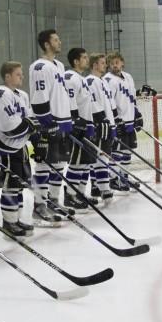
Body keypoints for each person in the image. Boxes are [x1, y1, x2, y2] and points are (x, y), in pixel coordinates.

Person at [0, 61, 37, 237]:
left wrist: (30, 127)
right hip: (5, 148)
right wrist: (29, 126)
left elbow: (31, 122)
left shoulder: (22, 95)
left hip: (20, 148)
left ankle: (16, 220)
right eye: (18, 74)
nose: (22, 76)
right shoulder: (0, 94)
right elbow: (11, 128)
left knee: (19, 186)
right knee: (10, 187)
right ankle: (9, 222)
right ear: (7, 76)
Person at [28, 29, 72, 225]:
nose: (59, 42)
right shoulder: (39, 67)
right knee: (44, 166)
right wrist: (47, 123)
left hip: (62, 122)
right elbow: (39, 99)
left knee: (59, 165)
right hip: (49, 123)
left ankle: (53, 201)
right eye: (55, 39)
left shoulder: (59, 65)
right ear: (46, 44)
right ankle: (39, 206)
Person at [62, 47, 97, 212]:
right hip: (78, 127)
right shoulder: (70, 77)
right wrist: (76, 122)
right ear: (75, 61)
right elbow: (69, 101)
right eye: (84, 57)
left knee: (85, 163)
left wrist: (90, 124)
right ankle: (70, 195)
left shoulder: (80, 78)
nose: (87, 60)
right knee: (76, 163)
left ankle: (80, 193)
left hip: (86, 125)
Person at [103, 52, 141, 193]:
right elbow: (109, 102)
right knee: (117, 152)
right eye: (112, 63)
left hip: (130, 120)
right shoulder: (107, 79)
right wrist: (116, 120)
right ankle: (114, 179)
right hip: (119, 122)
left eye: (117, 62)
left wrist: (137, 114)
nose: (115, 65)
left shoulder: (128, 77)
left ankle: (124, 177)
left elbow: (132, 98)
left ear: (122, 63)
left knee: (127, 151)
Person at [84, 52, 117, 205]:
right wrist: (101, 120)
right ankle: (104, 188)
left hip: (107, 123)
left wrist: (114, 122)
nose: (105, 65)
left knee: (103, 156)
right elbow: (92, 103)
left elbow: (108, 104)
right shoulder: (91, 81)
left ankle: (98, 187)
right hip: (99, 124)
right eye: (102, 63)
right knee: (101, 157)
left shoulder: (101, 81)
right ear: (95, 65)